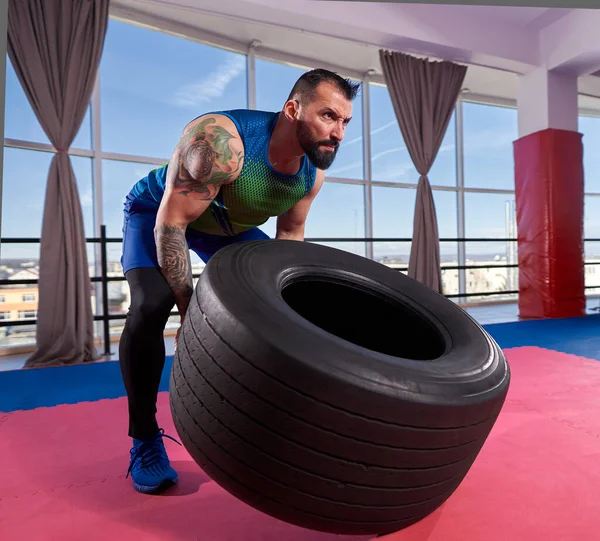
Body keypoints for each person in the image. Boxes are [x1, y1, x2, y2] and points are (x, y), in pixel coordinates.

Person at [118, 68, 361, 494]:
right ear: (293, 109)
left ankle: (271, 419)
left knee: (275, 307)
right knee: (150, 306)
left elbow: (289, 240)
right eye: (328, 116)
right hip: (158, 215)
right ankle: (144, 438)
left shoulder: (312, 173)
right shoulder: (219, 141)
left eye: (344, 122)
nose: (338, 132)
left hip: (226, 229)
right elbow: (171, 227)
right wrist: (192, 317)